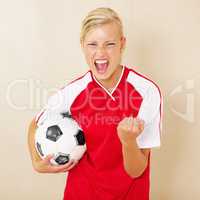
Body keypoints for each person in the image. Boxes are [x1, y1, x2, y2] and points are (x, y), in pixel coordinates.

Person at [28, 7, 162, 200]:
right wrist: (36, 161)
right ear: (82, 45)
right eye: (92, 44)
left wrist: (128, 141)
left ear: (122, 44)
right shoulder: (72, 92)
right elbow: (35, 123)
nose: (100, 53)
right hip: (81, 193)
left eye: (109, 44)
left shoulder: (146, 91)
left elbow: (136, 170)